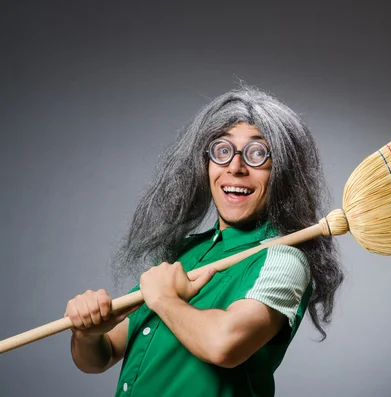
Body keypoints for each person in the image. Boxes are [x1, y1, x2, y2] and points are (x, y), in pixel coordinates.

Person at [64, 85, 344, 397]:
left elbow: (225, 345)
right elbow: (100, 357)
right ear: (206, 164)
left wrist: (165, 300)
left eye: (257, 154)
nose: (235, 168)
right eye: (222, 151)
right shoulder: (186, 251)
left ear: (282, 172)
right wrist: (87, 332)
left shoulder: (281, 259)